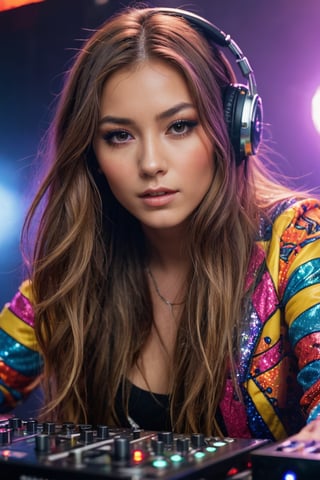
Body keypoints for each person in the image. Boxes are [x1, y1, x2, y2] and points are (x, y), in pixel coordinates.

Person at [0, 5, 320, 442]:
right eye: (120, 135)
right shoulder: (78, 265)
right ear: (92, 154)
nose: (150, 163)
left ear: (233, 128)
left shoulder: (298, 241)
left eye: (180, 126)